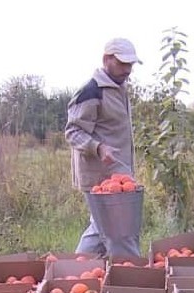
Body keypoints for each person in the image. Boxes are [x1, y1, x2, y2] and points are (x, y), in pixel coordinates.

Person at [65, 37, 142, 257]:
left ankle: (77, 267)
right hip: (100, 176)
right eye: (122, 63)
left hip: (117, 174)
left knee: (101, 229)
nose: (127, 70)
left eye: (130, 64)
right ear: (106, 59)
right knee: (119, 231)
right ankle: (130, 270)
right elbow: (72, 131)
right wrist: (98, 148)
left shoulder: (118, 88)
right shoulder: (92, 91)